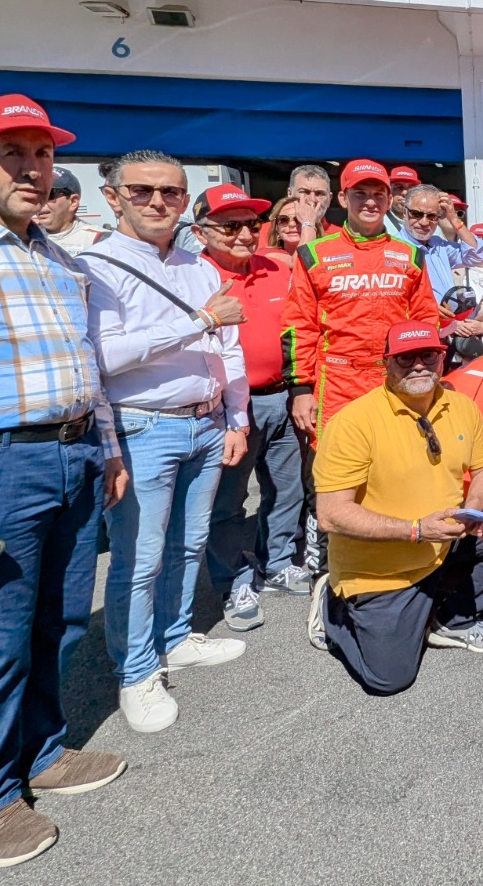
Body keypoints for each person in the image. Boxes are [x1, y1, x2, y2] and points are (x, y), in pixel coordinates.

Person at [0, 94, 130, 869]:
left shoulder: (58, 256)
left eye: (42, 153)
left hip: (70, 458)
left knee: (61, 622)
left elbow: (87, 364)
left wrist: (105, 447)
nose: (33, 168)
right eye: (14, 152)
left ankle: (40, 754)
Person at [79, 150, 250, 734]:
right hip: (143, 425)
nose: (158, 202)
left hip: (206, 421)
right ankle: (135, 670)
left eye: (171, 193)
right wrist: (197, 321)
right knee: (140, 557)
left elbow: (228, 347)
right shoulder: (95, 264)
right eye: (143, 191)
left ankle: (175, 638)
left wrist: (235, 417)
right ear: (114, 196)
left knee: (190, 543)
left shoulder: (197, 264)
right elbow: (103, 356)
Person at [307, 322, 483, 694]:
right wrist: (416, 530)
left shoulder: (461, 405)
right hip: (382, 568)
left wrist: (473, 512)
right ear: (387, 363)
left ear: (442, 357)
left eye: (428, 355)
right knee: (389, 679)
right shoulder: (353, 422)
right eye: (405, 357)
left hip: (442, 539)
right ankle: (332, 607)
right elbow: (332, 514)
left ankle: (450, 618)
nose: (418, 365)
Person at [194, 186, 310, 635]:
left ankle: (278, 560)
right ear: (202, 229)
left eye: (250, 224)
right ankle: (232, 580)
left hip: (283, 396)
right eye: (229, 225)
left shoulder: (279, 268)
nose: (243, 233)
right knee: (227, 502)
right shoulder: (194, 275)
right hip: (225, 408)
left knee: (286, 489)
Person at [282, 158, 440, 444]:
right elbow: (298, 326)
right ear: (343, 198)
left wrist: (424, 374)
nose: (370, 202)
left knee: (396, 463)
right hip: (337, 382)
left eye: (379, 194)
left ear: (391, 200)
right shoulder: (315, 255)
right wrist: (301, 390)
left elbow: (426, 320)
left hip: (395, 378)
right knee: (337, 471)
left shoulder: (410, 255)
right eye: (360, 193)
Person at [399, 183, 483, 302]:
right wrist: (431, 309)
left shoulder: (439, 245)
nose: (424, 222)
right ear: (404, 212)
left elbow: (476, 256)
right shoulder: (393, 248)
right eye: (417, 214)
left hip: (447, 318)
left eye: (431, 216)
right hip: (418, 318)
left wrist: (454, 218)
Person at [258, 164, 336, 252]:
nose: (312, 200)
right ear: (289, 194)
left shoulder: (342, 236)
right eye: (304, 192)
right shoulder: (259, 233)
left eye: (319, 193)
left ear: (330, 198)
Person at [36, 167, 105, 254]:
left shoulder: (99, 240)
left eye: (50, 195)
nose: (40, 202)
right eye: (36, 195)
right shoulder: (23, 238)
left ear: (73, 201)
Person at [263, 197, 304, 265]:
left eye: (299, 219)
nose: (291, 224)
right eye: (283, 220)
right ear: (276, 229)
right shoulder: (266, 254)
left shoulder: (325, 252)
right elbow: (299, 263)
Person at [385, 165, 419, 235]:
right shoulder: (377, 222)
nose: (405, 193)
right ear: (389, 192)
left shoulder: (427, 222)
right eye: (398, 187)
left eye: (411, 188)